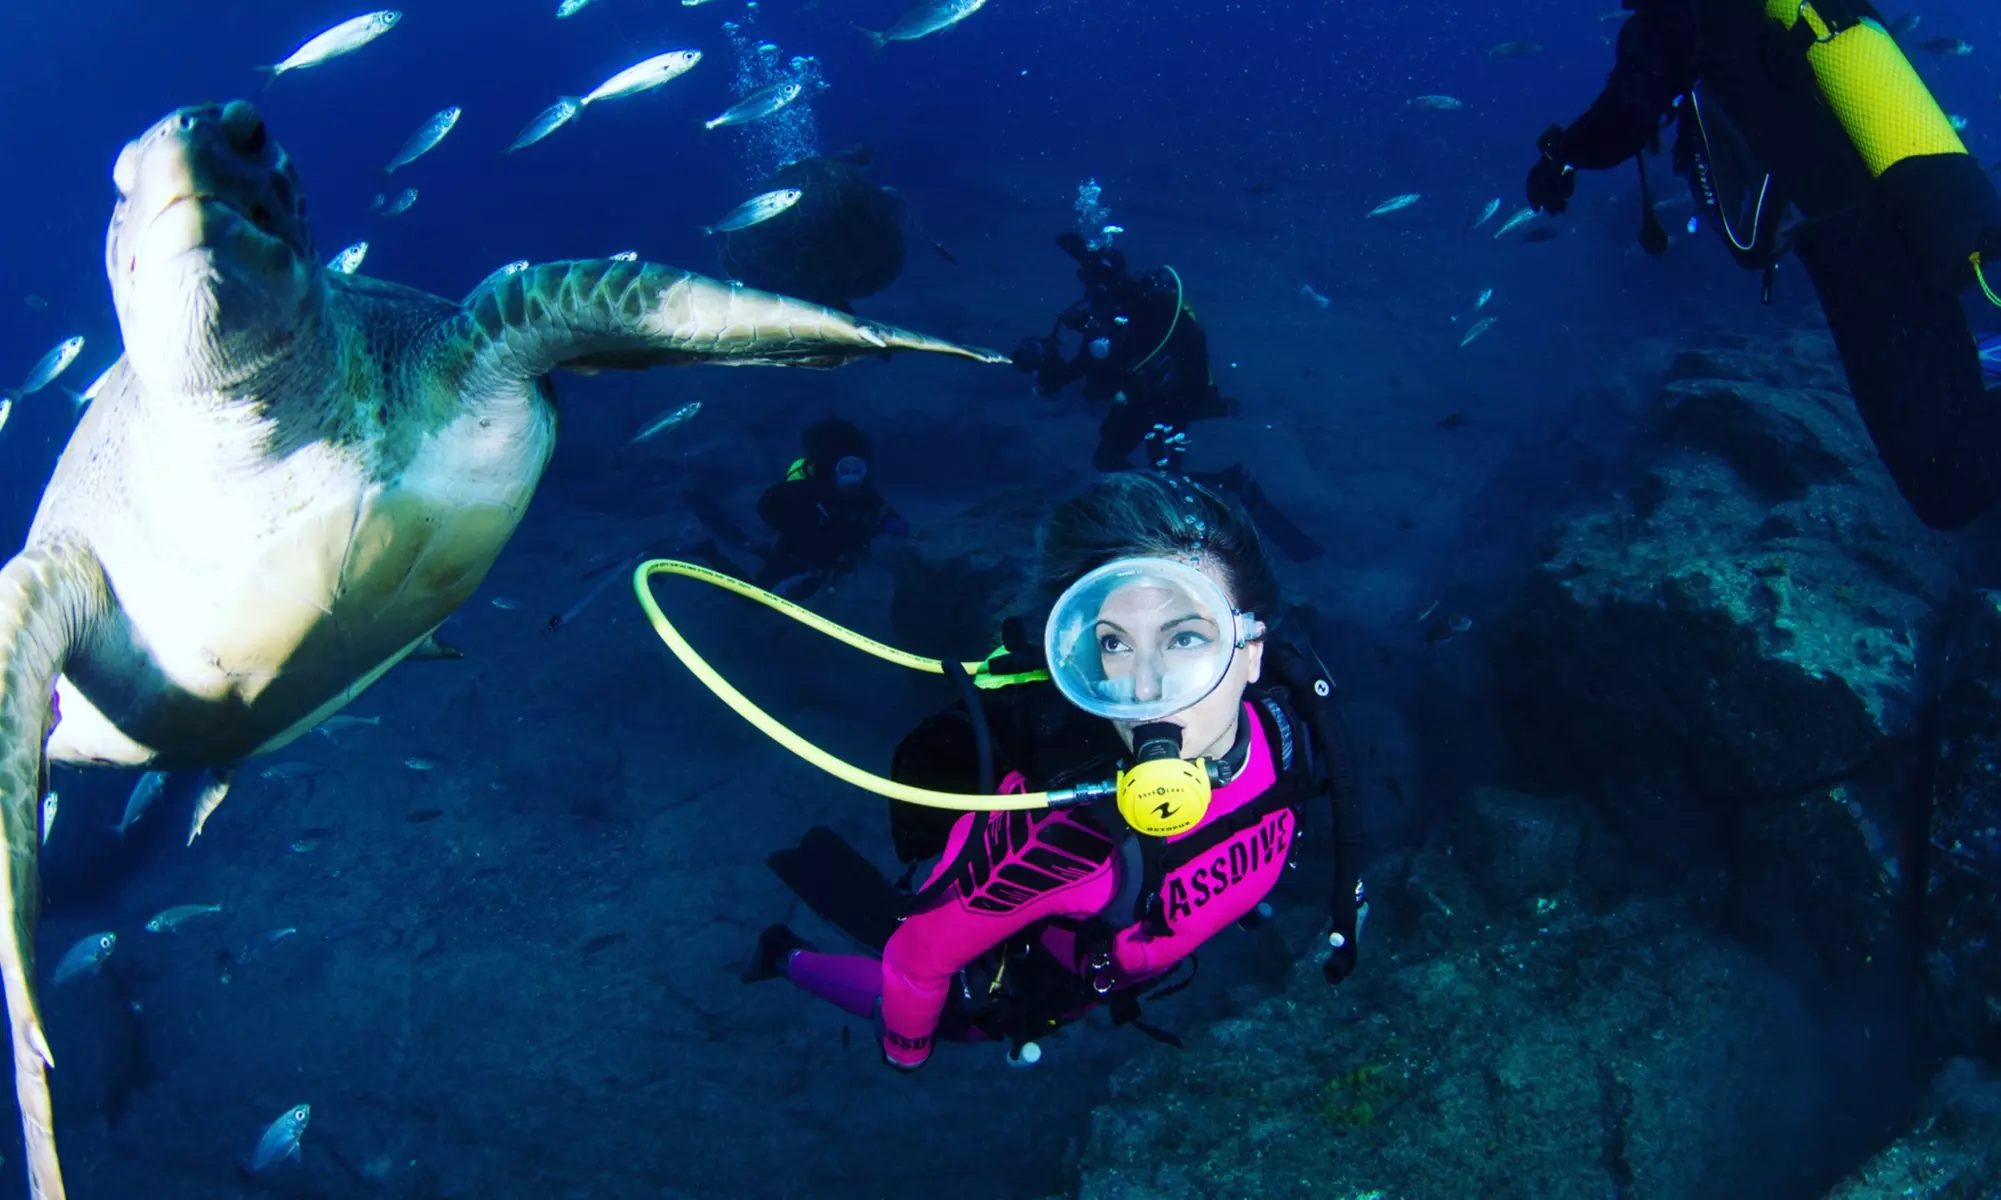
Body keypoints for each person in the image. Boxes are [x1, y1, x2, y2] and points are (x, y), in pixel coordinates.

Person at [742, 472, 1367, 1069]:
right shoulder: (1054, 836)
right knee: (957, 1022)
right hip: (1048, 986)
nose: (1148, 690)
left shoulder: (1295, 732)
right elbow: (915, 959)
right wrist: (905, 1053)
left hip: (1121, 971)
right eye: (1115, 644)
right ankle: (785, 956)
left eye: (1184, 639)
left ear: (1252, 651)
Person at [1523, 0, 2001, 531]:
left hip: (1854, 248)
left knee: (1943, 484)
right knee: (1964, 428)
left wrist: (1560, 156)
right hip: (1915, 218)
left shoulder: (1682, 16)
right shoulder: (1770, 10)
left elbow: (1627, 113)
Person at [1010, 233, 1237, 473]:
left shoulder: (1149, 306)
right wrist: (1041, 368)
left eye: (1097, 285)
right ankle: (1154, 496)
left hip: (1172, 398)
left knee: (1165, 470)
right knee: (1108, 459)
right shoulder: (1105, 323)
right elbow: (1079, 369)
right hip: (1144, 399)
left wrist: (1089, 261)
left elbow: (1131, 296)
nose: (1094, 296)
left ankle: (1230, 485)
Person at [686, 417, 909, 601]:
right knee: (754, 600)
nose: (851, 477)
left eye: (857, 470)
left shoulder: (865, 492)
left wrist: (890, 525)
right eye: (845, 469)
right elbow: (771, 508)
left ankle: (756, 548)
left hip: (823, 560)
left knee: (796, 586)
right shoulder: (807, 491)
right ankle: (708, 552)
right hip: (800, 556)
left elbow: (888, 516)